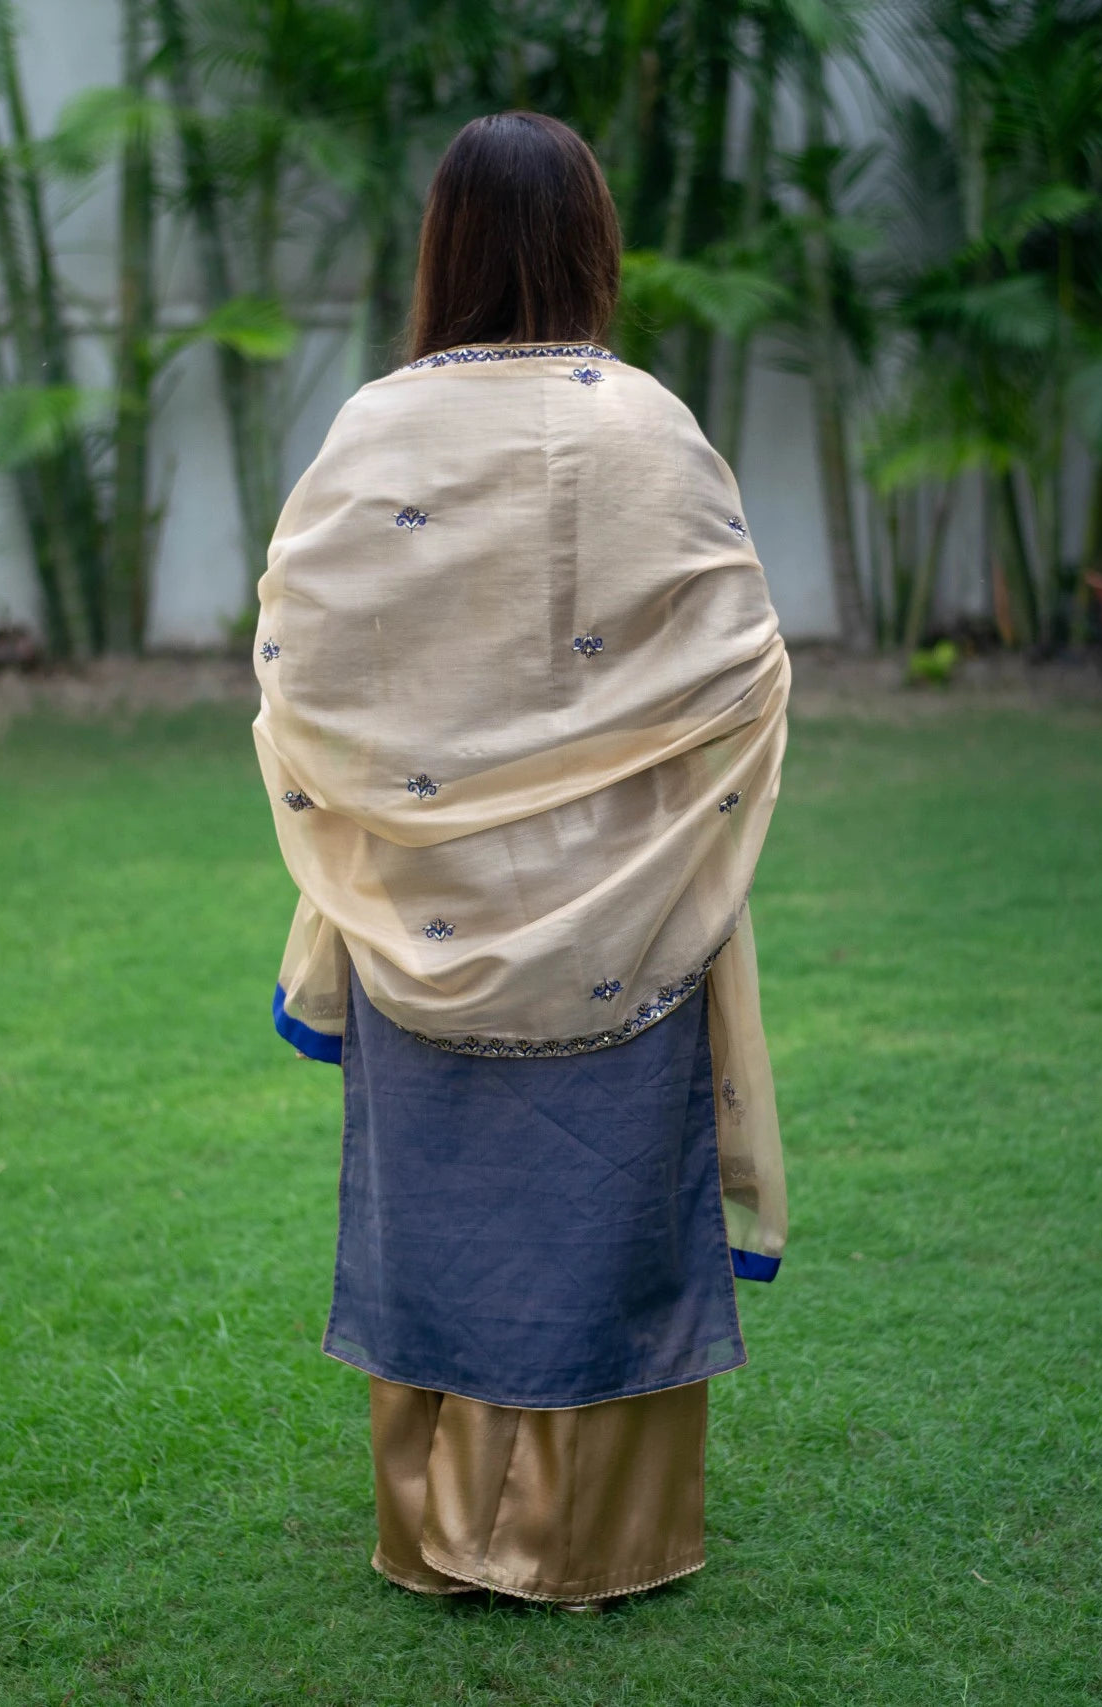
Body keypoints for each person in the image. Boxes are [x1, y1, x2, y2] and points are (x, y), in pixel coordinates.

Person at [253, 110, 790, 1610]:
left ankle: (436, 1533)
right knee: (599, 1207)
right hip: (627, 896)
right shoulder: (648, 424)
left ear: (444, 248)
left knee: (450, 1221)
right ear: (591, 245)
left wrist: (432, 782)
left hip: (422, 903)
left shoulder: (377, 427)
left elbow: (301, 658)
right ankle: (596, 1538)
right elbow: (741, 664)